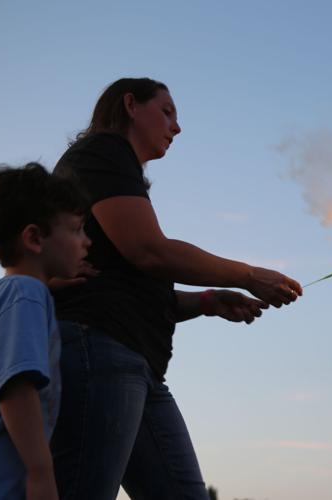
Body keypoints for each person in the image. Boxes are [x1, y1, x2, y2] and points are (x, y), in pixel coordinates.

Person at [50, 77, 303, 500]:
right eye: (166, 111)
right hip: (101, 351)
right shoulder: (103, 153)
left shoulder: (115, 169)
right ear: (130, 105)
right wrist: (245, 274)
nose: (176, 126)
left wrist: (206, 301)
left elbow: (127, 279)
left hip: (136, 364)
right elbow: (148, 251)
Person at [0, 163, 91, 500]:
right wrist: (41, 472)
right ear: (35, 238)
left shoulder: (9, 292)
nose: (87, 241)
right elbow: (17, 387)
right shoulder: (26, 295)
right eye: (77, 229)